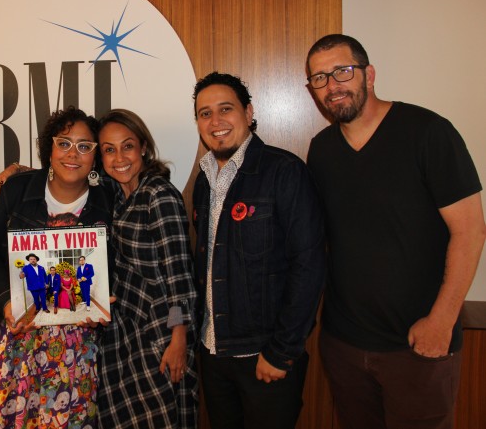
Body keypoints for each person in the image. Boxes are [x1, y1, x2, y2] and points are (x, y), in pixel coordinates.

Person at [305, 34, 486, 429]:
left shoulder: (428, 132)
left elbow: (471, 231)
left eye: (342, 72)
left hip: (419, 344)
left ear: (368, 74)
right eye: (319, 78)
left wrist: (441, 321)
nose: (331, 86)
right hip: (345, 344)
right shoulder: (321, 150)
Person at [0, 106, 112, 428]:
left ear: (95, 156)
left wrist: (102, 302)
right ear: (49, 148)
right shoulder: (15, 189)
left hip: (71, 345)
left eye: (85, 146)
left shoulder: (108, 201)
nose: (73, 154)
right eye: (64, 143)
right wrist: (7, 302)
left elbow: (118, 264)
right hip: (9, 333)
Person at [192, 72, 326, 429]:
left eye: (225, 109)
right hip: (213, 352)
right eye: (205, 113)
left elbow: (309, 266)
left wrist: (281, 351)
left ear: (248, 112)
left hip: (264, 357)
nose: (215, 122)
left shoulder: (285, 172)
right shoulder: (204, 181)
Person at [95, 108, 199, 428]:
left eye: (127, 146)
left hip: (161, 333)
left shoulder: (158, 194)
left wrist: (178, 338)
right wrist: (16, 169)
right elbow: (65, 169)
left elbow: (179, 274)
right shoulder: (117, 194)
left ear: (143, 147)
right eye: (108, 150)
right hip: (127, 335)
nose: (119, 158)